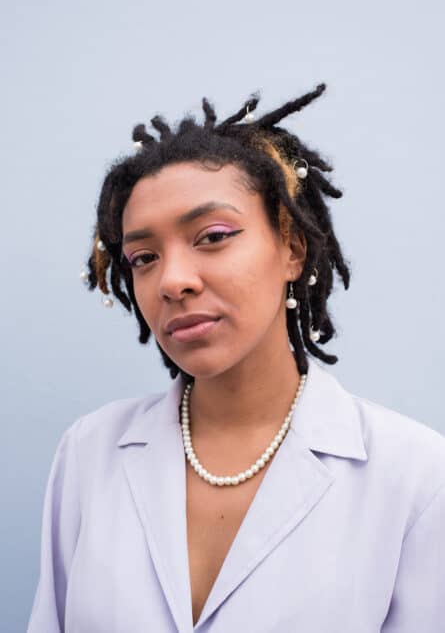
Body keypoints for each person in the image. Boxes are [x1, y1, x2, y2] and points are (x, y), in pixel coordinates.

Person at [28, 85, 445, 632]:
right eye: (144, 257)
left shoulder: (416, 477)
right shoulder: (89, 452)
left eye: (213, 236)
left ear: (292, 248)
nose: (173, 281)